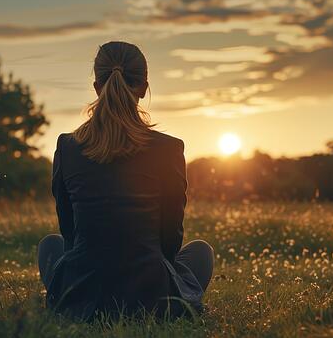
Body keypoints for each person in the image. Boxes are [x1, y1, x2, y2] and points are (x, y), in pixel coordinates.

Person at [37, 41, 214, 320]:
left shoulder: (68, 147)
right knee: (201, 253)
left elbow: (69, 232)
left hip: (84, 296)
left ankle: (71, 298)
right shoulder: (169, 149)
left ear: (97, 86)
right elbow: (170, 239)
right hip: (152, 298)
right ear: (143, 88)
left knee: (51, 244)